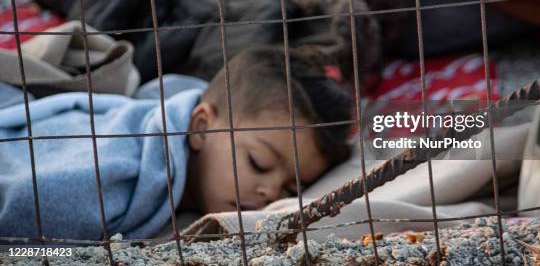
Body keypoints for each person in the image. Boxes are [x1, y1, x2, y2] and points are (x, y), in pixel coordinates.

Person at [0, 46, 353, 242]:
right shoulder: (99, 186)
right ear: (200, 126)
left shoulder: (209, 117)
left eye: (292, 187)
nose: (270, 193)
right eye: (258, 163)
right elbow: (18, 242)